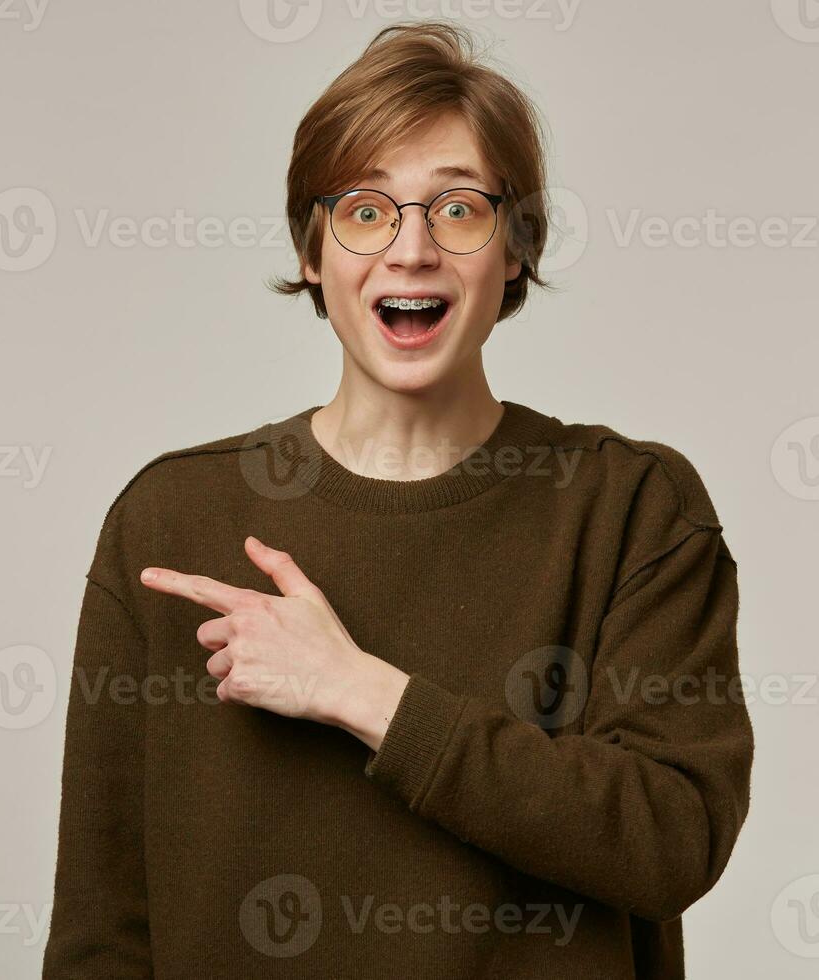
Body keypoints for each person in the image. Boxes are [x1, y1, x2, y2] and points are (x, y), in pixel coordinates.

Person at [40, 20, 753, 980]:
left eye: (458, 210)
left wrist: (363, 693)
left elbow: (673, 839)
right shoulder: (170, 521)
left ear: (513, 252)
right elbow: (101, 932)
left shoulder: (631, 509)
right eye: (366, 211)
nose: (410, 249)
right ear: (311, 251)